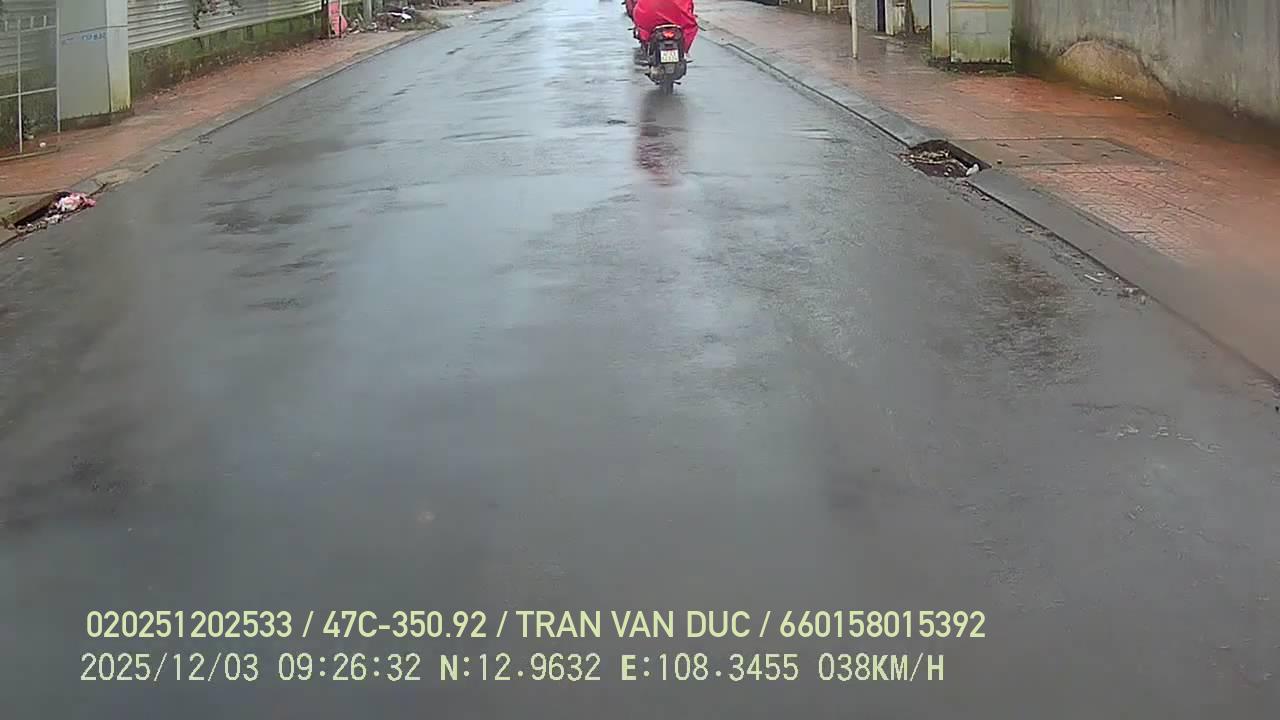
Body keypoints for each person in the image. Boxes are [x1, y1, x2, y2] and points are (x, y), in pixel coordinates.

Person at [632, 0, 697, 57]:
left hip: (651, 15)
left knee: (643, 27)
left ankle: (647, 46)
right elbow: (690, 6)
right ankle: (684, 50)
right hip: (678, 16)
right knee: (690, 26)